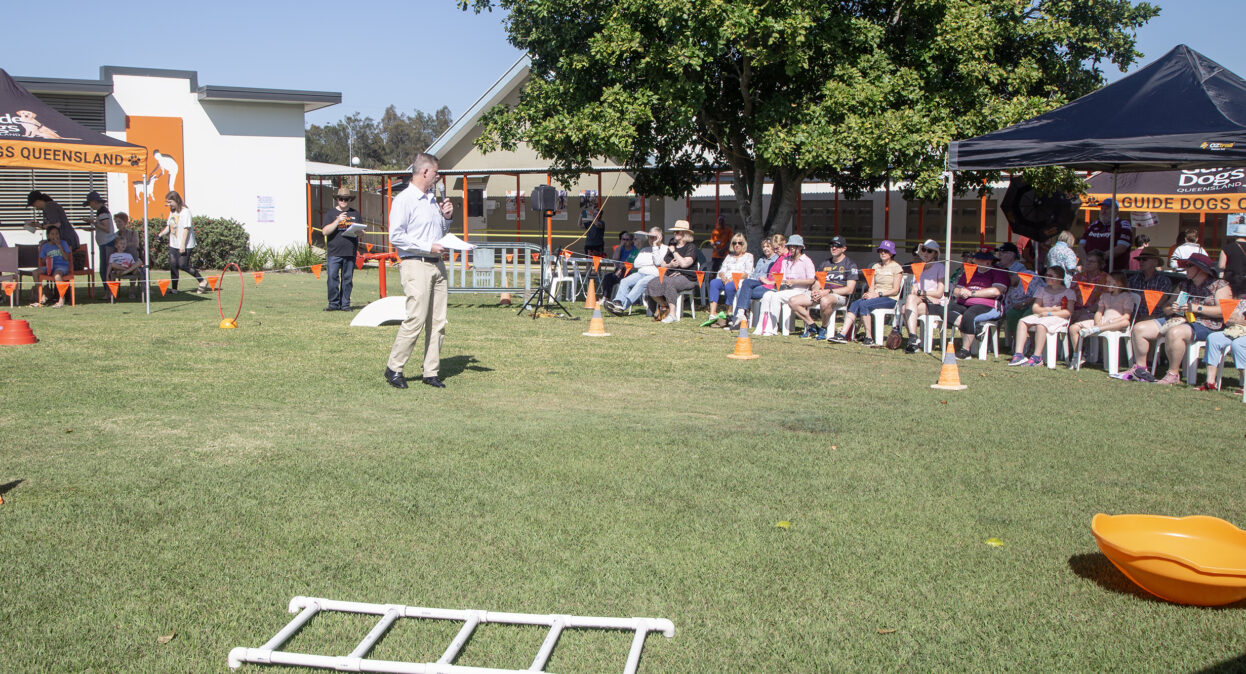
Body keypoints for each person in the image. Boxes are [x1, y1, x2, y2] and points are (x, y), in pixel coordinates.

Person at [384, 152, 455, 390]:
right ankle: (394, 368)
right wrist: (427, 246)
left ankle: (431, 372)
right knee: (416, 318)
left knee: (438, 321)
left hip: (437, 264)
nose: (438, 178)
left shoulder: (432, 200)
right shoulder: (404, 200)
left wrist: (447, 217)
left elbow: (438, 232)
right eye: (436, 173)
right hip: (415, 263)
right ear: (425, 172)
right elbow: (396, 236)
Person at [1127, 253, 1230, 384]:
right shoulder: (1184, 285)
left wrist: (1195, 308)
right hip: (1178, 319)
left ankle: (1173, 374)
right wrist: (1173, 308)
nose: (1184, 269)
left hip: (1207, 324)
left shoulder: (1220, 285)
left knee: (1175, 332)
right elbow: (1166, 307)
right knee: (1139, 328)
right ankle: (1140, 370)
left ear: (1201, 268)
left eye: (1188, 266)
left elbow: (1224, 311)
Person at [937, 249, 1010, 359]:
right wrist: (961, 292)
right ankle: (975, 328)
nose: (975, 261)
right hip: (964, 303)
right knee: (943, 309)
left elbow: (996, 291)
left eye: (980, 259)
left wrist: (972, 293)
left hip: (989, 306)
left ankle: (965, 351)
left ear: (989, 262)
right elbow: (956, 290)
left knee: (969, 315)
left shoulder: (999, 272)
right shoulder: (970, 272)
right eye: (976, 259)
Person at [828, 240, 903, 344]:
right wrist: (870, 294)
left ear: (891, 253)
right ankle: (842, 334)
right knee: (854, 304)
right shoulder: (875, 266)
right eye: (881, 250)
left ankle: (869, 337)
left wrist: (878, 294)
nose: (883, 253)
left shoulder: (897, 267)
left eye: (886, 251)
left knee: (864, 305)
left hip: (890, 298)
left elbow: (895, 290)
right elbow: (871, 285)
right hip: (876, 296)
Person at [791, 236, 858, 341]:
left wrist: (828, 291)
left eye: (837, 246)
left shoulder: (850, 265)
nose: (833, 248)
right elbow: (817, 282)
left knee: (825, 301)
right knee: (793, 301)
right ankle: (812, 326)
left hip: (838, 295)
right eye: (832, 245)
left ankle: (824, 327)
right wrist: (815, 291)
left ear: (844, 248)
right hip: (822, 292)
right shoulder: (825, 263)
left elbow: (849, 289)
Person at [1009, 265, 1076, 366]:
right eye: (1046, 275)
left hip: (1059, 318)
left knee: (1041, 325)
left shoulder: (1069, 292)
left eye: (1051, 276)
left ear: (1059, 278)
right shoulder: (1042, 290)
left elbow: (1068, 312)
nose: (1047, 278)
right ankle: (1019, 354)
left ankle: (1037, 356)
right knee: (1022, 321)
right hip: (1043, 315)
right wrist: (1050, 309)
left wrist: (1050, 313)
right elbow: (1035, 308)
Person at [1068, 271, 1137, 368]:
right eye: (1107, 282)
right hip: (1102, 322)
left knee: (1126, 322)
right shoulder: (1105, 295)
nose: (1107, 284)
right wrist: (1097, 322)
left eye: (1110, 282)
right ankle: (1077, 356)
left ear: (1120, 283)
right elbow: (1099, 311)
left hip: (1117, 323)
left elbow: (1127, 316)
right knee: (1073, 328)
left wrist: (1112, 321)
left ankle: (1097, 329)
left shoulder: (1126, 296)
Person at [755, 234, 814, 336]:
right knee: (767, 295)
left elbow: (811, 280)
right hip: (786, 289)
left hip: (801, 291)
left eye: (794, 246)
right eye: (789, 246)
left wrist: (795, 281)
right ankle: (761, 327)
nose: (791, 248)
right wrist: (780, 281)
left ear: (800, 248)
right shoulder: (786, 261)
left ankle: (772, 328)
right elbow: (782, 277)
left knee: (776, 297)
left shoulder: (806, 261)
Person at [1198, 273, 1246, 392]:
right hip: (1235, 330)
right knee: (1213, 338)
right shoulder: (1239, 295)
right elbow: (1229, 315)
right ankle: (1210, 382)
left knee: (1238, 344)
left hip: (1242, 333)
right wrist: (1231, 319)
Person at [645, 220, 699, 323]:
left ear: (685, 233)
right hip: (671, 275)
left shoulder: (691, 247)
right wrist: (670, 265)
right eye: (674, 231)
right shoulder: (672, 243)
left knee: (670, 283)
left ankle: (672, 315)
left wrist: (674, 251)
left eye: (677, 231)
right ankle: (664, 305)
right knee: (652, 283)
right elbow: (663, 264)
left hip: (687, 277)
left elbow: (684, 264)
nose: (674, 233)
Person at [602, 227, 665, 315]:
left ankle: (621, 308)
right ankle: (618, 302)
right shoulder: (644, 250)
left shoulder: (664, 249)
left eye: (654, 237)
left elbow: (658, 262)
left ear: (660, 237)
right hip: (640, 273)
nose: (651, 239)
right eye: (650, 237)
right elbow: (636, 264)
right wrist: (650, 262)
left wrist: (654, 247)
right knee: (624, 281)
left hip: (655, 275)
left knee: (641, 283)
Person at [730, 233, 786, 328]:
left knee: (744, 288)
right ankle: (740, 315)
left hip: (770, 286)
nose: (766, 249)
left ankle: (739, 316)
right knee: (746, 284)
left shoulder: (781, 258)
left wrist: (768, 281)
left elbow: (782, 277)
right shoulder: (764, 259)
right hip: (760, 283)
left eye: (769, 247)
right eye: (763, 247)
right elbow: (755, 274)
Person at [157, 191, 208, 294]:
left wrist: (182, 245)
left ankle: (202, 281)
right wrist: (160, 235)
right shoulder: (172, 212)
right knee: (173, 265)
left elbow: (186, 229)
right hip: (173, 243)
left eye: (170, 202)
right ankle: (174, 289)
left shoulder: (185, 212)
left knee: (183, 265)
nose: (168, 204)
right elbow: (169, 226)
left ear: (176, 200)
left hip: (185, 244)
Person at [900, 239, 945, 352]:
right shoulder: (919, 267)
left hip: (935, 303)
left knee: (906, 308)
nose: (925, 253)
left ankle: (913, 339)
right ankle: (913, 338)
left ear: (935, 254)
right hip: (921, 301)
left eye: (929, 251)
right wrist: (917, 291)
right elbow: (914, 289)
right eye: (924, 250)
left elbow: (939, 293)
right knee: (906, 304)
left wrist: (922, 292)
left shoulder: (940, 267)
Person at [322, 186, 361, 311]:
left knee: (347, 279)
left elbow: (362, 232)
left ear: (350, 199)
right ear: (337, 199)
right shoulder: (331, 213)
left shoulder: (355, 214)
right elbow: (325, 231)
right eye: (341, 199)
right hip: (334, 252)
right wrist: (337, 221)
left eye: (346, 199)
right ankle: (333, 304)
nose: (343, 201)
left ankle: (345, 304)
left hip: (350, 251)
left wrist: (359, 231)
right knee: (332, 278)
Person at [705, 233, 754, 326]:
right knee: (713, 283)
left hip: (738, 280)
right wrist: (723, 276)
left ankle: (729, 312)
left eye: (740, 243)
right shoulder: (729, 256)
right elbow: (722, 269)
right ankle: (712, 313)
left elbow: (748, 272)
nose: (737, 245)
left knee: (729, 286)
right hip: (726, 279)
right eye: (734, 243)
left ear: (744, 244)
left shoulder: (748, 256)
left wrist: (732, 278)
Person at [1080, 198, 1132, 271]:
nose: (1103, 211)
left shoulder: (1123, 225)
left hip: (1113, 272)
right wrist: (1086, 261)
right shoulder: (1094, 225)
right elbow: (1081, 246)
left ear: (1116, 211)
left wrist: (1097, 261)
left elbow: (1121, 248)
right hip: (1091, 273)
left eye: (1107, 209)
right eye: (1102, 208)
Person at [35, 226, 73, 307]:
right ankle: (41, 296)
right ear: (48, 236)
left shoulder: (63, 243)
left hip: (61, 266)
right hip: (49, 266)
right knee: (35, 272)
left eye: (57, 234)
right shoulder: (45, 246)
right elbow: (42, 260)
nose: (55, 236)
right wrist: (47, 259)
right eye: (52, 234)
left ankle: (61, 299)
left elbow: (67, 258)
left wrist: (59, 246)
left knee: (57, 275)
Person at [1069, 250, 1108, 326]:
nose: (1087, 263)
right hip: (1074, 309)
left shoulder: (1106, 279)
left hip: (1094, 312)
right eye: (1087, 260)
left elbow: (1103, 301)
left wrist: (1085, 311)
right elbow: (1070, 295)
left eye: (1092, 261)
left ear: (1099, 264)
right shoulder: (1078, 277)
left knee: (1081, 320)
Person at [83, 191, 117, 273]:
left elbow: (107, 228)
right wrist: (93, 228)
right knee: (105, 268)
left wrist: (93, 222)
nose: (90, 206)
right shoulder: (102, 211)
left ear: (94, 202)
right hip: (105, 242)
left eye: (90, 203)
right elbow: (104, 227)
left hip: (106, 243)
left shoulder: (102, 211)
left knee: (104, 269)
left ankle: (107, 285)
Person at [599, 230, 638, 302]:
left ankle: (620, 300)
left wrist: (621, 268)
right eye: (623, 239)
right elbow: (615, 261)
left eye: (627, 239)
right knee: (608, 277)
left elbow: (631, 264)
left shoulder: (635, 250)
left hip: (629, 271)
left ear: (631, 241)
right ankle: (606, 298)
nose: (624, 241)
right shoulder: (619, 248)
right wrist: (620, 246)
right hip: (618, 270)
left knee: (621, 275)